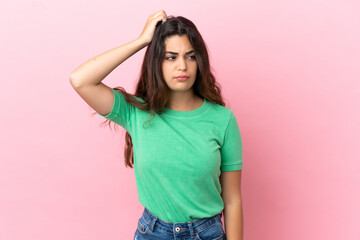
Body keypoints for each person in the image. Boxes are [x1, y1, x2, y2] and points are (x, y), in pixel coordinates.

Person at [70, 10, 243, 240]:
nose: (182, 66)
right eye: (171, 57)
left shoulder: (223, 120)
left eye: (190, 56)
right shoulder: (136, 112)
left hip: (207, 234)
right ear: (157, 62)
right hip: (153, 233)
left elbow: (232, 200)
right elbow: (81, 80)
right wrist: (141, 41)